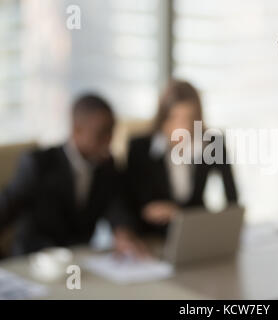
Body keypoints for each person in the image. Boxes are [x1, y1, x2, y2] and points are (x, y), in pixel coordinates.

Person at [0, 94, 146, 256]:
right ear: (77, 130)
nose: (108, 140)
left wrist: (123, 232)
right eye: (101, 133)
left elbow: (116, 207)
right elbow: (6, 207)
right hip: (35, 260)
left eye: (111, 132)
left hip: (79, 261)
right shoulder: (39, 164)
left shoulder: (107, 166)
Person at [125, 80, 238, 236]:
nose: (183, 128)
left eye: (189, 119)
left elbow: (232, 202)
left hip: (195, 234)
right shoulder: (140, 149)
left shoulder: (213, 143)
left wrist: (177, 213)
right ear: (162, 118)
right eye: (175, 118)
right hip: (152, 238)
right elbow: (133, 205)